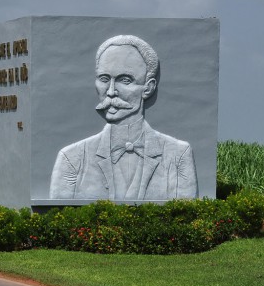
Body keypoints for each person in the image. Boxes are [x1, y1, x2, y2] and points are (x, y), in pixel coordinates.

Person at [49, 34, 197, 201]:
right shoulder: (72, 159)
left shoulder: (177, 155)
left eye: (125, 80)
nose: (111, 91)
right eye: (104, 79)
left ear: (148, 88)